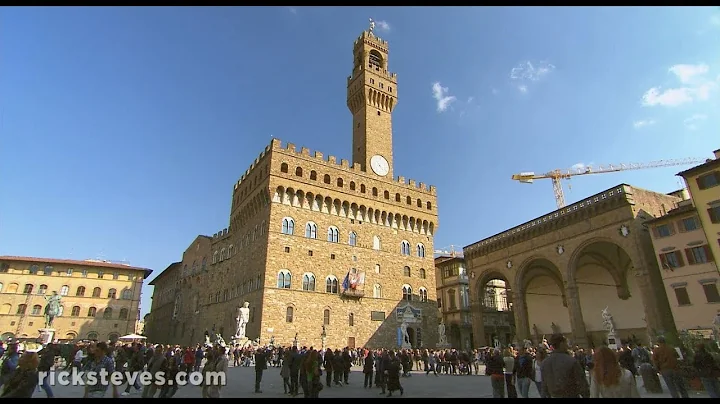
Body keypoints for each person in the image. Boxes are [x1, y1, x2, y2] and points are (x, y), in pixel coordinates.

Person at [540, 333, 590, 398]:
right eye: (566, 343)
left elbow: (544, 386)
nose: (567, 345)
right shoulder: (571, 361)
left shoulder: (545, 363)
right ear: (561, 344)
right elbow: (582, 383)